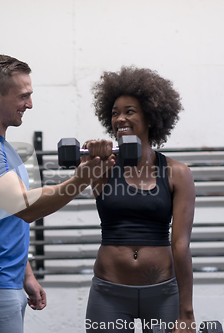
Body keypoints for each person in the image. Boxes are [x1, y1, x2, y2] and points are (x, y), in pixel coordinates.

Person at [0, 54, 115, 333]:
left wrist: (25, 274)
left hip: (4, 278)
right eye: (23, 96)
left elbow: (5, 219)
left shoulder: (1, 146)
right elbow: (24, 208)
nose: (29, 104)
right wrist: (81, 179)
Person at [85, 66, 196, 333]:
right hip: (109, 291)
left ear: (150, 117)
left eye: (129, 111)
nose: (119, 118)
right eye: (114, 113)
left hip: (162, 294)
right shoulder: (103, 167)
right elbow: (89, 182)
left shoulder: (178, 173)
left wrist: (187, 312)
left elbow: (180, 245)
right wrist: (92, 160)